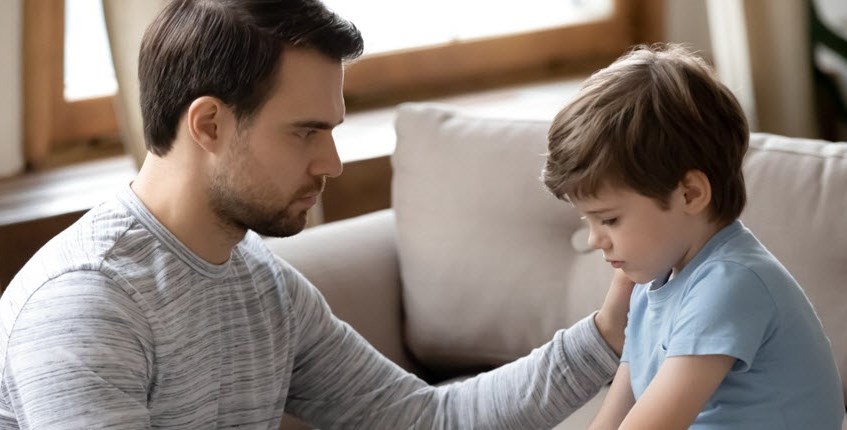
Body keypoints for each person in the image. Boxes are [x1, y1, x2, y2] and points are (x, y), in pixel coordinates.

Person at [0, 1, 635, 428]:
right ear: (209, 124)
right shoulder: (86, 306)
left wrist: (606, 334)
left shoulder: (258, 283)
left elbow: (424, 419)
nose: (331, 163)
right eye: (306, 132)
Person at [543, 43, 845, 429]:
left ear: (690, 194)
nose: (593, 240)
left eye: (610, 219)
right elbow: (620, 409)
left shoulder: (730, 284)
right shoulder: (652, 282)